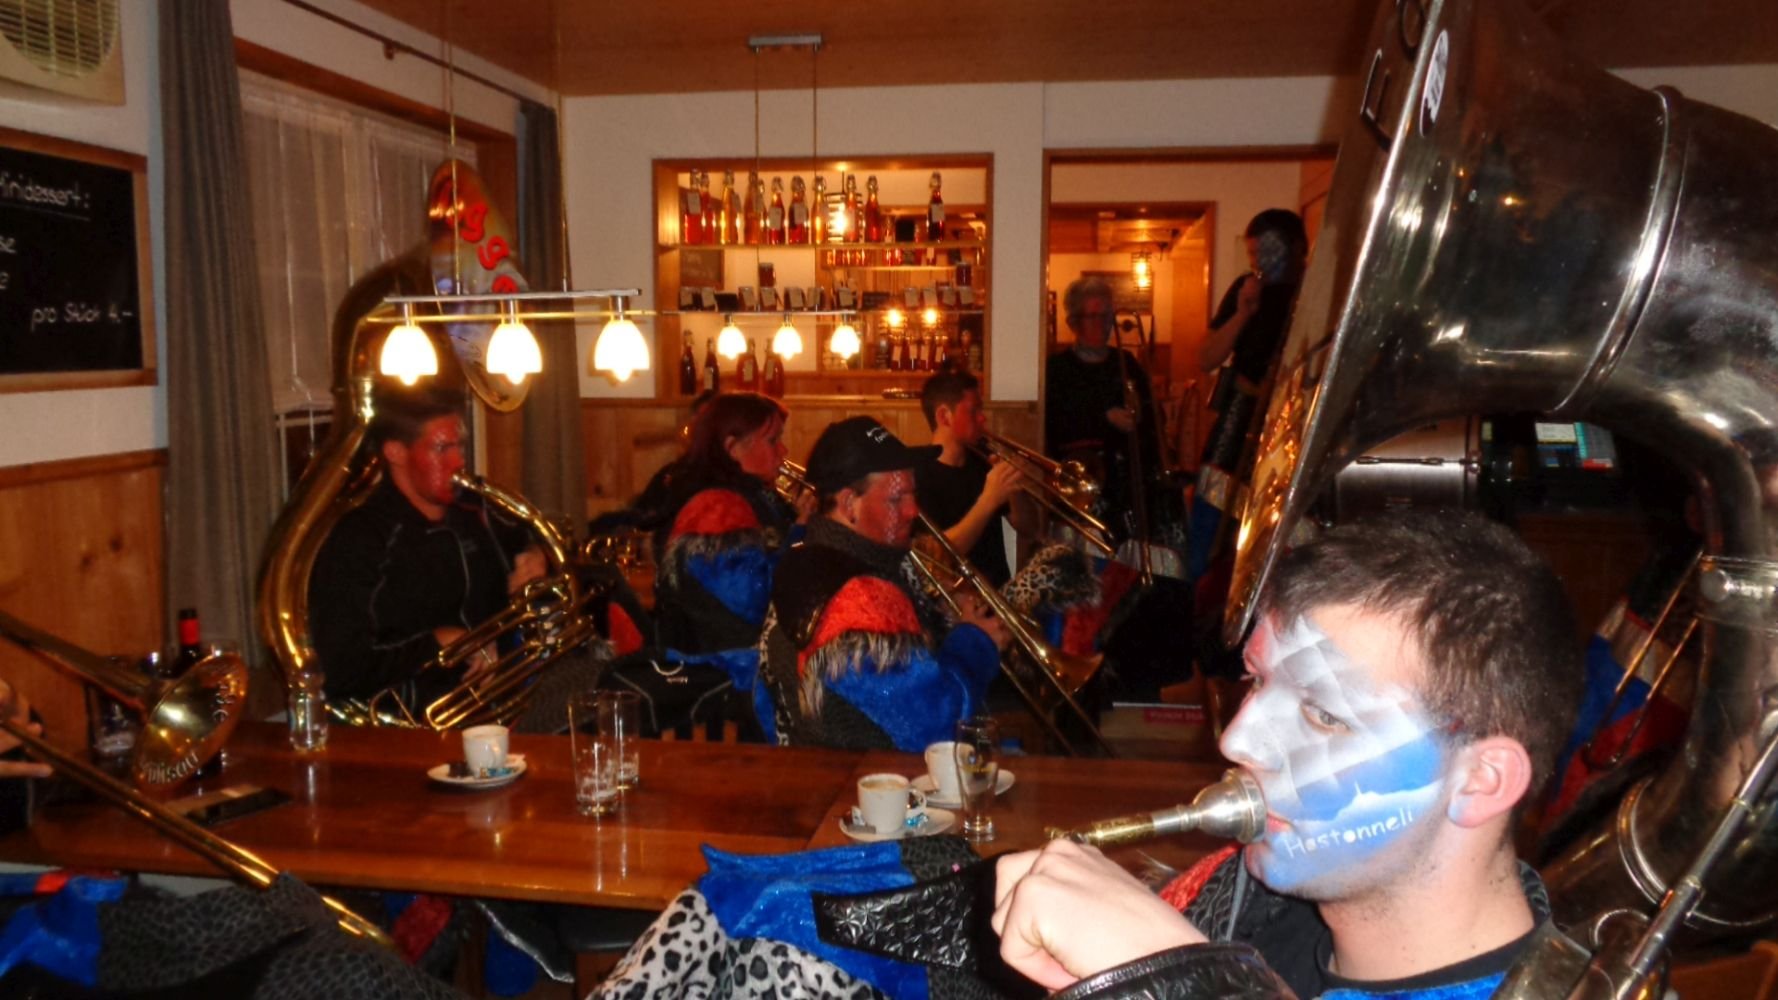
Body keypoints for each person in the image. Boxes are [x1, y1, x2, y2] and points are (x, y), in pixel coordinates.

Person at [992, 512, 1584, 999]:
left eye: (1324, 714)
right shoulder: (1250, 889)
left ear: (1481, 780)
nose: (1236, 740)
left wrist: (1186, 982)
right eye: (1256, 680)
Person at [758, 416, 1010, 751]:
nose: (913, 510)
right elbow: (936, 724)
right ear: (849, 504)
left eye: (913, 493)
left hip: (850, 764)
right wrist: (976, 641)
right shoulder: (858, 597)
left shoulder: (813, 557)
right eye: (896, 498)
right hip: (876, 774)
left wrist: (946, 620)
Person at [308, 384, 551, 722]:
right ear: (396, 452)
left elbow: (537, 543)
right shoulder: (360, 539)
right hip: (414, 725)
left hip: (505, 700)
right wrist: (438, 643)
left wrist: (538, 554)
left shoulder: (475, 507)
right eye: (441, 448)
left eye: (459, 446)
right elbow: (339, 668)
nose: (459, 462)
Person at [1189, 209, 1309, 583]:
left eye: (1265, 252)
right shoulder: (1245, 289)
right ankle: (1201, 594)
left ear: (1294, 248)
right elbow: (1207, 358)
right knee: (1211, 512)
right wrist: (1243, 312)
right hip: (1239, 415)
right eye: (1253, 253)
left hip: (1294, 419)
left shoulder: (1318, 290)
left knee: (1285, 522)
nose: (1258, 262)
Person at [1044, 276, 1161, 545]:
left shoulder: (1126, 362)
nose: (1104, 324)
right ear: (1074, 323)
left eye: (1108, 316)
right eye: (1094, 316)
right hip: (1081, 486)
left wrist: (1139, 415)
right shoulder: (1058, 369)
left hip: (1126, 485)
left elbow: (1154, 416)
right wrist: (1104, 418)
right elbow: (1054, 422)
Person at [914, 370, 1022, 588]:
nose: (983, 418)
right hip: (957, 599)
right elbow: (937, 557)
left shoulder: (983, 461)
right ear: (944, 416)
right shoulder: (917, 476)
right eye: (974, 411)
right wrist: (989, 500)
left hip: (999, 590)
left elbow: (1028, 528)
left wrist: (1016, 486)